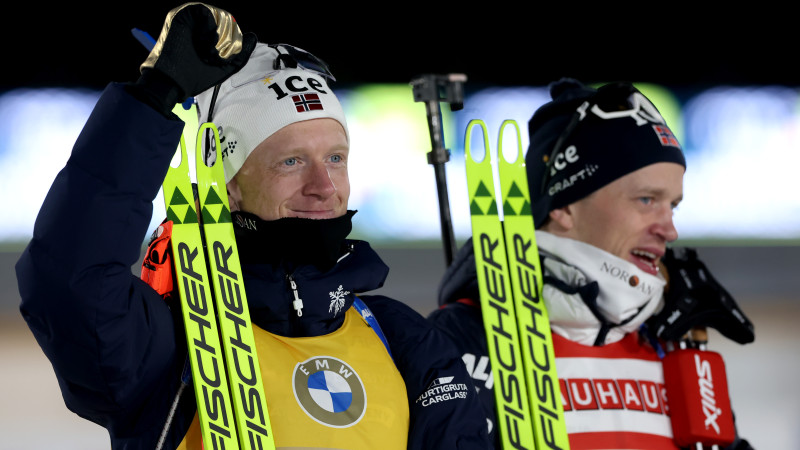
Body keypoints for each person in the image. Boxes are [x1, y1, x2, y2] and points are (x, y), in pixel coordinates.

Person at [15, 3, 489, 449]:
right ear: (229, 185)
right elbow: (70, 276)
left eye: (336, 158)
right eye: (291, 161)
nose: (323, 185)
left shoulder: (395, 331)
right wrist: (153, 97)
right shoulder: (164, 344)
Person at [428, 78, 756, 449]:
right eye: (647, 200)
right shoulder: (458, 341)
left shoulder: (674, 340)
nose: (670, 229)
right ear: (565, 205)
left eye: (673, 205)